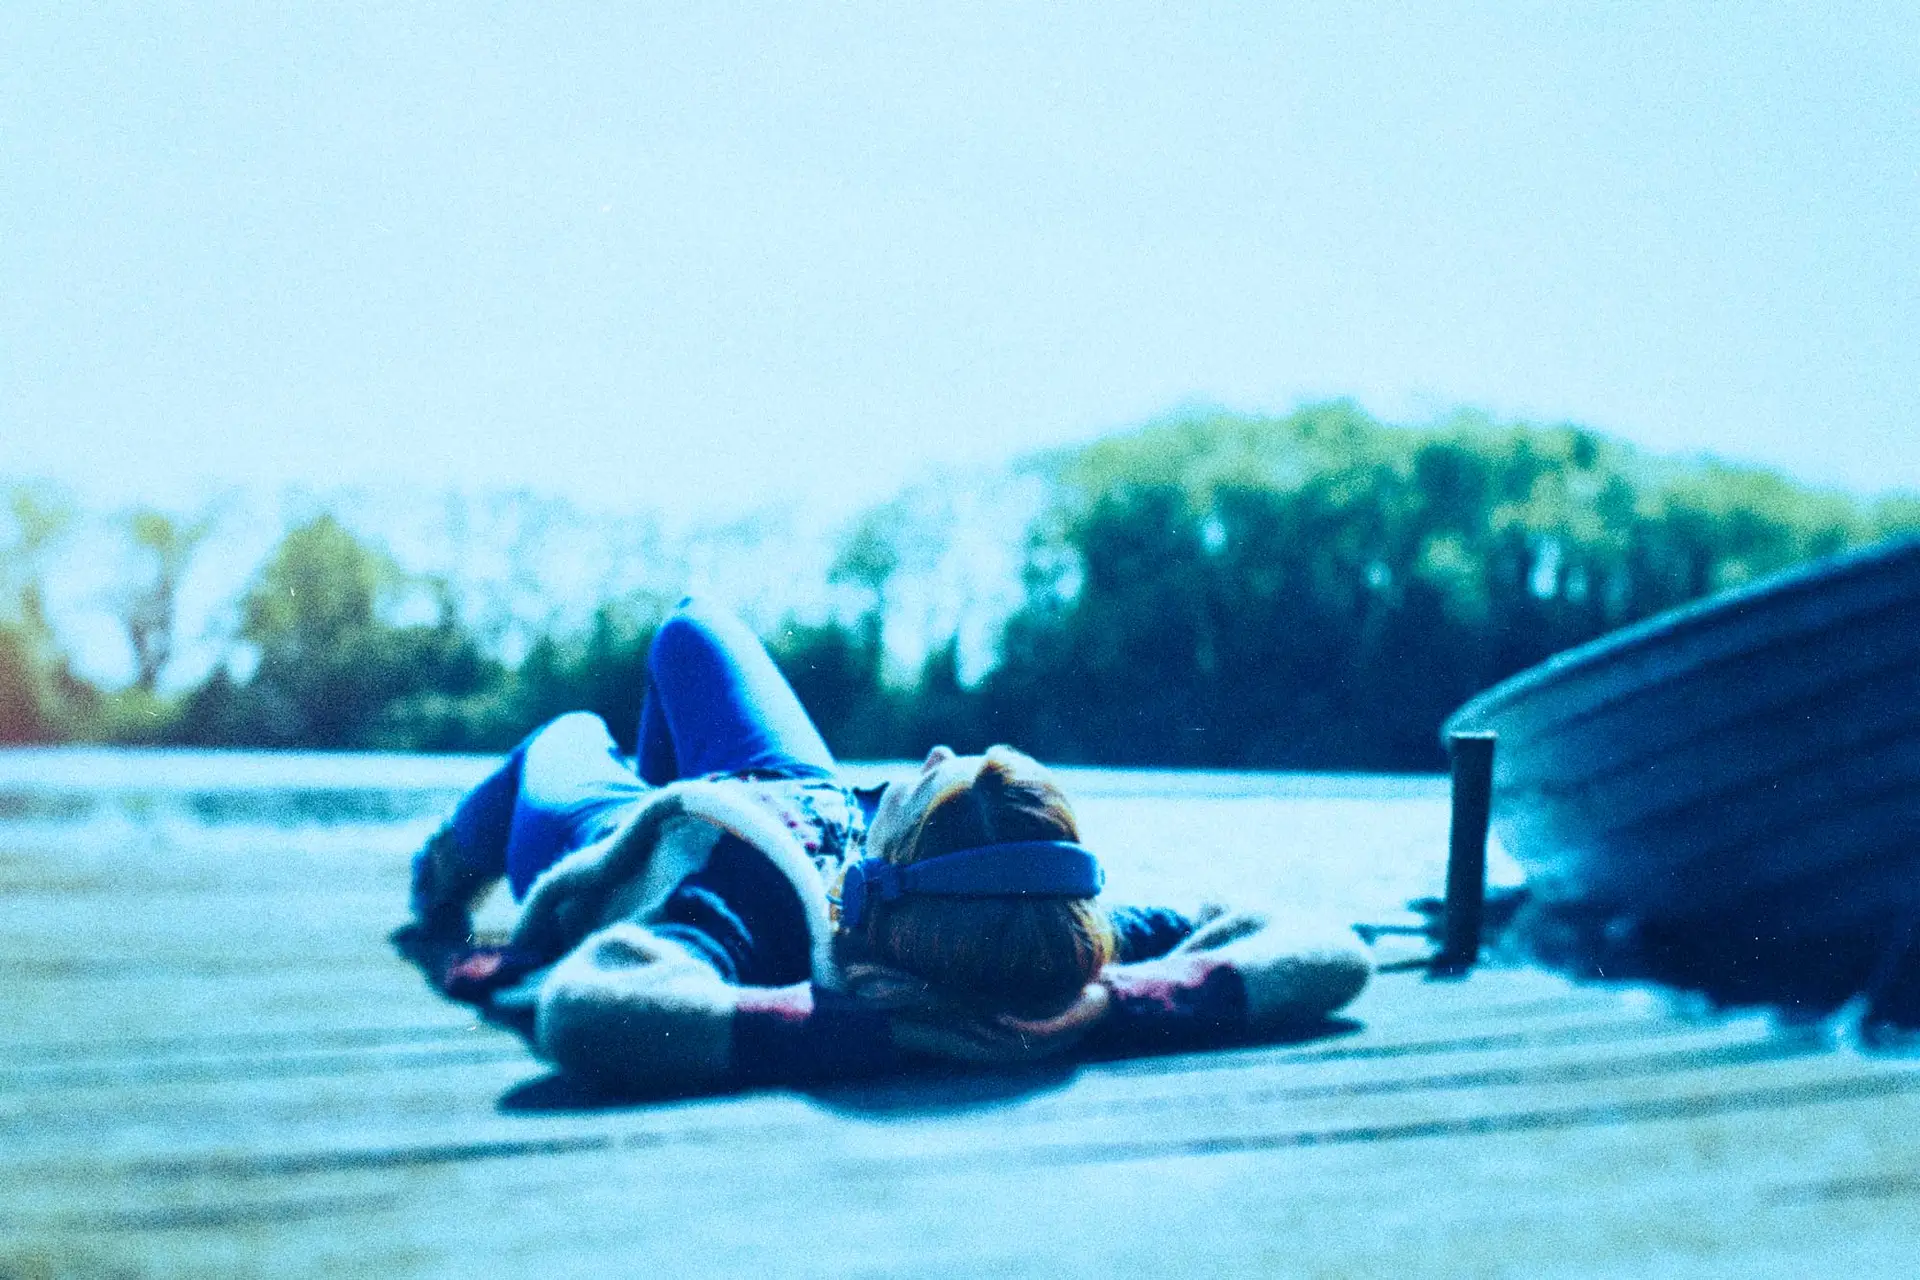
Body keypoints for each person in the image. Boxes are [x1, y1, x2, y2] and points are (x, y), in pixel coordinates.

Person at [397, 597, 1371, 1096]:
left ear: (881, 878)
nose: (937, 746)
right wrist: (1101, 1004)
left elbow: (589, 1009)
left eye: (935, 775)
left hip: (654, 844)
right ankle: (667, 774)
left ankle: (441, 865)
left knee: (564, 734)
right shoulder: (1032, 935)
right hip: (789, 791)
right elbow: (1328, 946)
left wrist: (880, 1031)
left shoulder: (754, 907)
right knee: (693, 627)